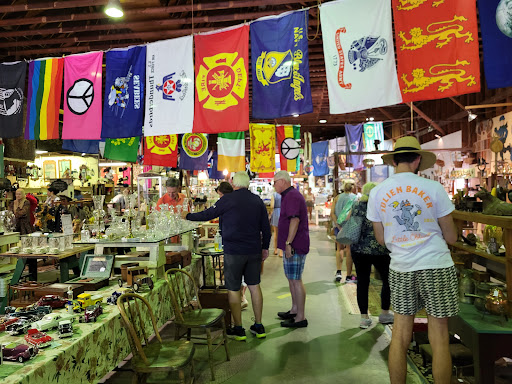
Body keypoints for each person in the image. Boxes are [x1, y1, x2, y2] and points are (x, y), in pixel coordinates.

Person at [367, 136, 458, 384]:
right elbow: (450, 237)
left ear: (394, 161)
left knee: (400, 335)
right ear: (417, 159)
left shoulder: (377, 193)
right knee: (439, 337)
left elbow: (382, 239)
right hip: (436, 265)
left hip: (401, 267)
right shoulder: (434, 188)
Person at [184, 172, 271, 340]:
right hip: (254, 250)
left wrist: (188, 216)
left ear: (233, 183)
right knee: (254, 286)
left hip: (234, 251)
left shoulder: (227, 200)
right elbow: (265, 228)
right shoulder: (257, 200)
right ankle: (259, 325)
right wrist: (265, 247)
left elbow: (207, 214)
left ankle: (238, 328)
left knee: (233, 288)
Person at [349, 182, 393, 329]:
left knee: (363, 282)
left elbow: (351, 223)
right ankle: (385, 313)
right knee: (388, 280)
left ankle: (364, 318)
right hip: (381, 250)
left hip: (359, 250)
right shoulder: (383, 206)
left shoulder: (357, 205)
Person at [274, 171, 310, 328]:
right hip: (292, 244)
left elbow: (295, 220)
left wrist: (288, 243)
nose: (274, 186)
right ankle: (295, 310)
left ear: (282, 181)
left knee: (296, 280)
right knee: (291, 279)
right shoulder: (288, 195)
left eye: (275, 182)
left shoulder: (292, 196)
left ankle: (301, 317)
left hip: (295, 245)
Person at [331, 180, 357, 283]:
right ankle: (349, 276)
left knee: (339, 249)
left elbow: (332, 213)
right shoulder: (355, 198)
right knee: (349, 250)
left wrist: (337, 225)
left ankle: (338, 272)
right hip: (350, 227)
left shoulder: (337, 198)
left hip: (339, 226)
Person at [269, 191, 282, 257]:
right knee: (282, 233)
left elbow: (272, 206)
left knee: (276, 234)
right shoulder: (284, 194)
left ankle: (276, 250)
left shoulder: (274, 195)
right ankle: (281, 251)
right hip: (283, 213)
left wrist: (271, 212)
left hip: (276, 213)